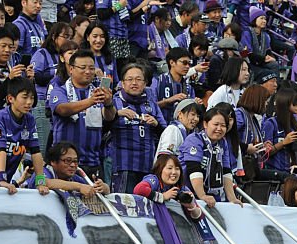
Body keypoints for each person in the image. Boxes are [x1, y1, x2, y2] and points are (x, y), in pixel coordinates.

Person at [48, 48, 116, 179]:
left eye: (91, 68)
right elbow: (62, 109)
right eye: (83, 67)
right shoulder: (60, 90)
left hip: (93, 161)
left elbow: (110, 117)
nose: (88, 71)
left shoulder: (98, 91)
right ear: (71, 69)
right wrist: (91, 101)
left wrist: (108, 103)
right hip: (65, 163)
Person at [110, 62, 165, 193]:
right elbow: (103, 126)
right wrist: (116, 115)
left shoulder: (152, 105)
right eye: (129, 79)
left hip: (147, 165)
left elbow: (165, 132)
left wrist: (156, 124)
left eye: (139, 79)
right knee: (124, 205)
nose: (134, 83)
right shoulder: (114, 102)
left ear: (145, 83)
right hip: (123, 164)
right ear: (122, 83)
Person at [178, 106, 242, 207]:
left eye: (223, 125)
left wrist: (232, 198)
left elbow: (226, 171)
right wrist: (202, 195)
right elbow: (194, 170)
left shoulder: (222, 142)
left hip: (212, 192)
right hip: (189, 194)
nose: (219, 129)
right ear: (205, 124)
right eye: (216, 124)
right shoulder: (194, 139)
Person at [29, 141, 110, 196]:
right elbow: (45, 183)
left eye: (75, 161)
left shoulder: (74, 177)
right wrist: (79, 187)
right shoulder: (42, 171)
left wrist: (104, 188)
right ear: (53, 161)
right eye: (68, 161)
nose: (73, 165)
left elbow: (89, 188)